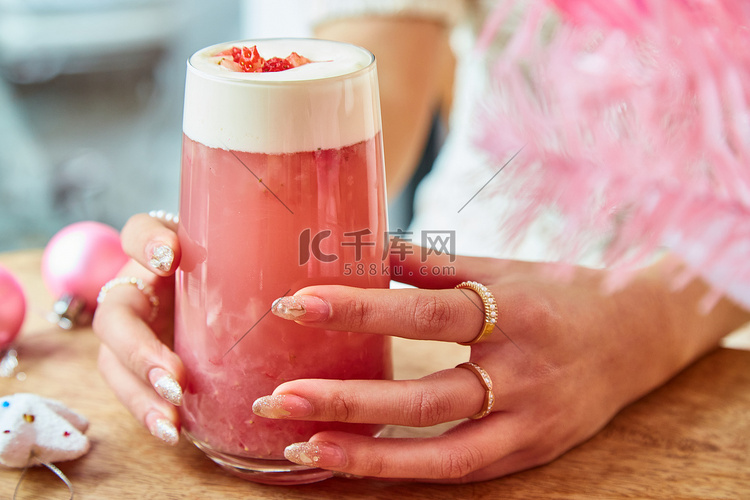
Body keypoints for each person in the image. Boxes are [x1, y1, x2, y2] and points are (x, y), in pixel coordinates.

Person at [92, 0, 750, 483]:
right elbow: (369, 84)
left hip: (717, 353)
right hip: (437, 327)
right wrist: (216, 266)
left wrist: (649, 323)